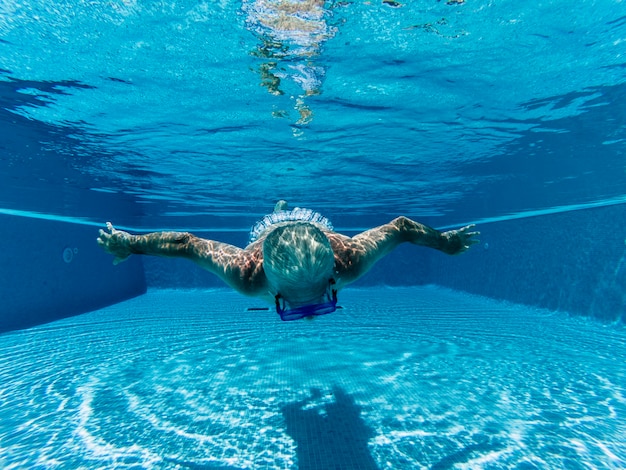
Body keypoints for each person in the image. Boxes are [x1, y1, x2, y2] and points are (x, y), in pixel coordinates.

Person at [97, 201, 479, 321]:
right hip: (268, 238)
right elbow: (186, 244)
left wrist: (444, 243)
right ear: (271, 291)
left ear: (334, 276)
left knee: (288, 219)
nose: (311, 314)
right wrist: (129, 244)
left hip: (317, 232)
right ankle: (278, 211)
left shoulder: (348, 259)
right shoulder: (249, 272)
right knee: (273, 219)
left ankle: (282, 210)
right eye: (294, 308)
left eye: (315, 303)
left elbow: (400, 227)